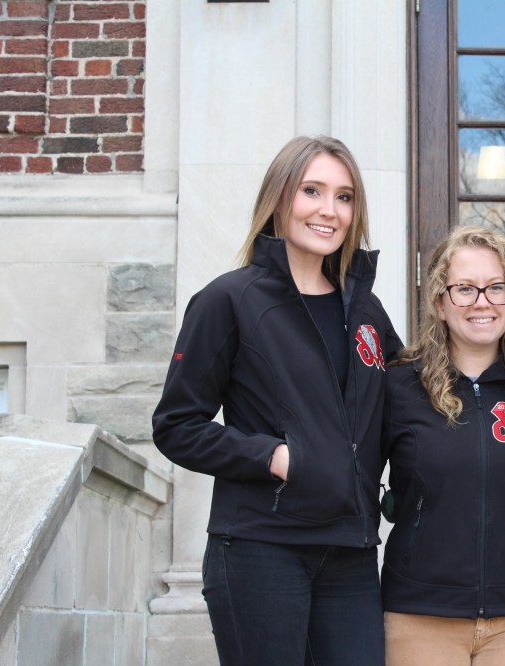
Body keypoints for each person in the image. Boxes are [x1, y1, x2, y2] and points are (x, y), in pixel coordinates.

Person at [152, 135, 402, 665]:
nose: (328, 211)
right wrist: (274, 457)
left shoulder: (366, 310)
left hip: (351, 552)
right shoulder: (229, 299)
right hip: (261, 547)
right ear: (280, 197)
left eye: (344, 196)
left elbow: (411, 400)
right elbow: (176, 425)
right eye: (312, 190)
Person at [380, 225, 505, 666]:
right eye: (465, 289)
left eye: (497, 287)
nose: (482, 301)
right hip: (419, 612)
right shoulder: (399, 386)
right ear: (439, 302)